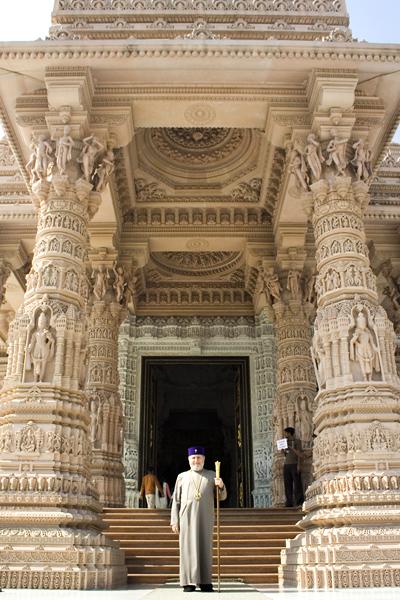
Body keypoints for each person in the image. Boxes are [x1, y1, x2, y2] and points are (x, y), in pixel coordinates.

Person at [171, 446, 227, 593]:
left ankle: (205, 581)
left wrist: (220, 485)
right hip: (186, 518)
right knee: (187, 549)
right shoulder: (182, 476)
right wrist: (174, 520)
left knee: (205, 548)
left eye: (199, 458)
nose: (196, 460)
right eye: (193, 458)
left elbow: (221, 497)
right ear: (189, 460)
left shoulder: (211, 475)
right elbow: (175, 500)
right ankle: (188, 582)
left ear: (203, 459)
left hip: (205, 516)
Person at [282, 427, 304, 508]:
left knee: (297, 484)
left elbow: (300, 455)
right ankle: (289, 502)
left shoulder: (297, 441)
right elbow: (285, 454)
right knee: (287, 484)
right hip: (286, 465)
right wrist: (283, 449)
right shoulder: (285, 442)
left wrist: (299, 465)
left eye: (286, 433)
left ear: (290, 433)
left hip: (294, 464)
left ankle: (299, 502)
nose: (285, 435)